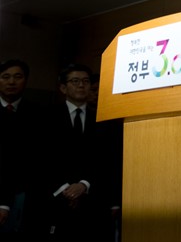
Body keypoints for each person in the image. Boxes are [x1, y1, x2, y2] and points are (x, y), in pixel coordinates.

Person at [35, 64, 119, 242]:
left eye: (85, 81)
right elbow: (40, 158)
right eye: (75, 81)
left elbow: (108, 160)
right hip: (55, 197)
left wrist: (84, 185)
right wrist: (66, 189)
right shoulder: (45, 117)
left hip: (93, 199)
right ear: (63, 87)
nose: (81, 85)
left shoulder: (103, 120)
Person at [0, 59, 44, 241]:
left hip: (25, 193)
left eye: (17, 77)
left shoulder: (38, 114)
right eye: (5, 77)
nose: (11, 82)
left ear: (26, 80)